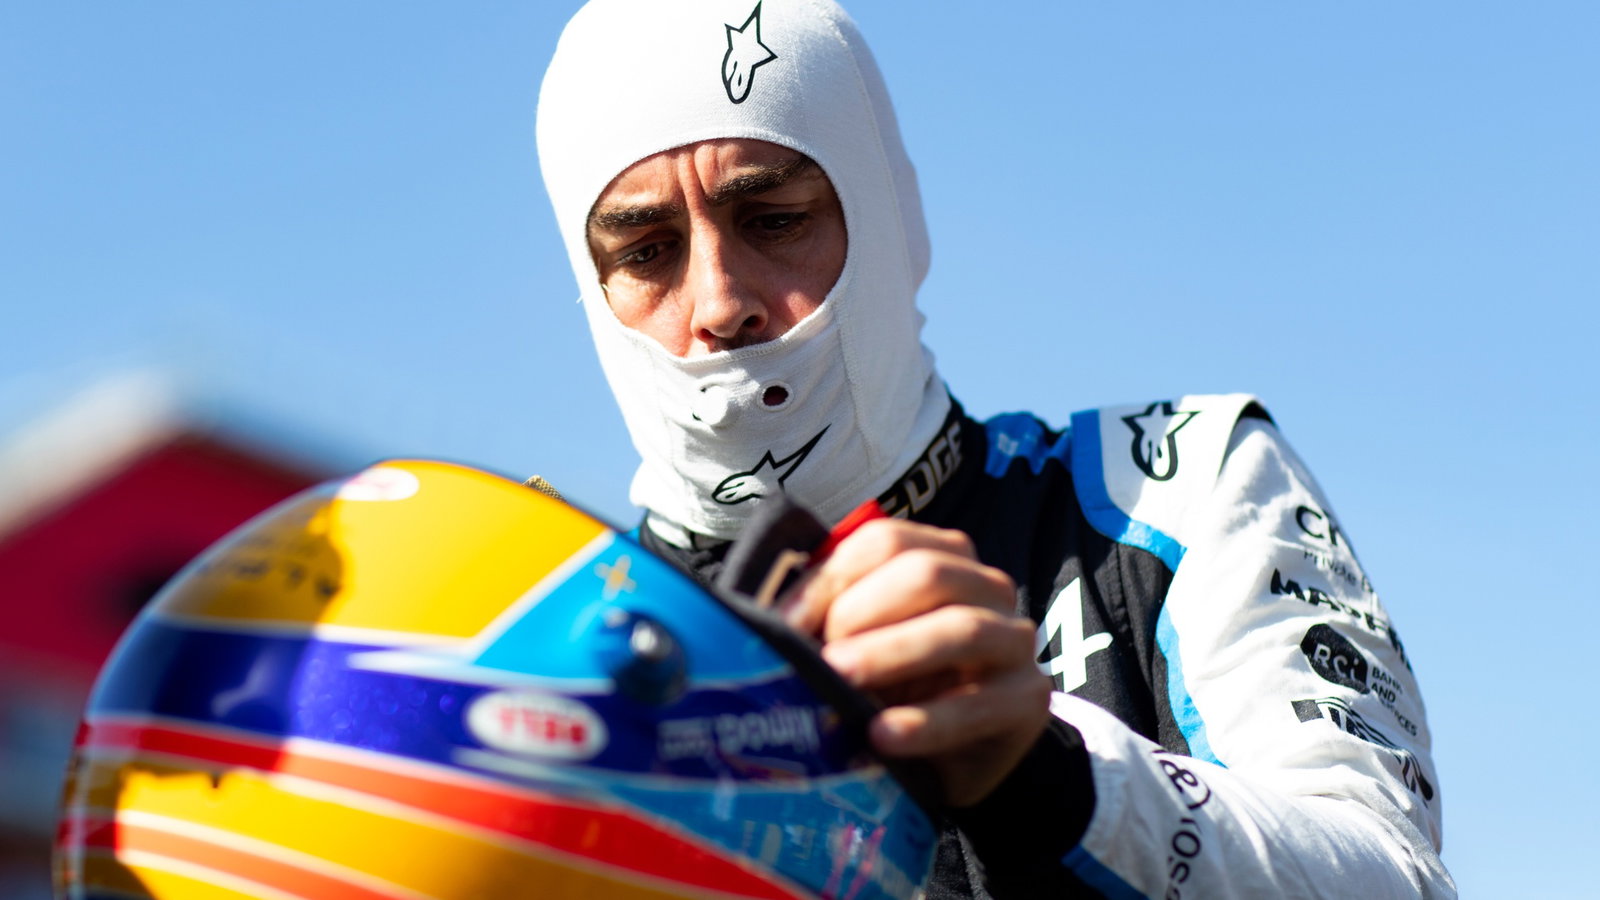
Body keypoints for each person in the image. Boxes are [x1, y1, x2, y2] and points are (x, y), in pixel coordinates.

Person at [536, 1, 1454, 896]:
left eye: (774, 218)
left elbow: (1393, 876)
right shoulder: (545, 643)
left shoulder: (1171, 484)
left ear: (890, 219)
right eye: (647, 252)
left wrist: (1049, 775)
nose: (718, 303)